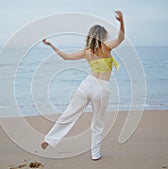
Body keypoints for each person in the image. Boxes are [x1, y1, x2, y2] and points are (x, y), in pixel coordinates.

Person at [41, 11, 125, 160]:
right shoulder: (106, 48)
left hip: (87, 84)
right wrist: (121, 21)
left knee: (69, 113)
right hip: (102, 88)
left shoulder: (87, 52)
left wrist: (51, 45)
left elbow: (66, 57)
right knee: (97, 123)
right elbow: (121, 38)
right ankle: (95, 154)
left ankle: (49, 139)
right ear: (103, 36)